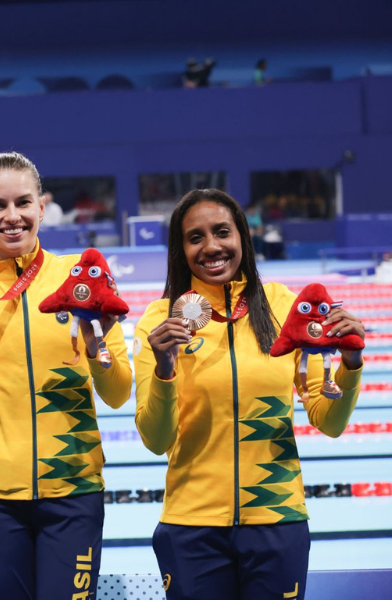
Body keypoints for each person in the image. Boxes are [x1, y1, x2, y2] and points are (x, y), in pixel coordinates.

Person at [133, 188, 365, 600]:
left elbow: (329, 422)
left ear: (242, 235)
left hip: (277, 520)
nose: (212, 247)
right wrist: (165, 369)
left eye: (222, 232)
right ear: (180, 248)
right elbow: (155, 440)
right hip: (191, 526)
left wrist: (349, 366)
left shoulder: (282, 307)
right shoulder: (160, 319)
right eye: (195, 237)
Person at [0, 152, 132, 600]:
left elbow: (119, 393)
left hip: (73, 491)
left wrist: (96, 342)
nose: (12, 217)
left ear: (42, 206)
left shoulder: (82, 281)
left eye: (23, 203)